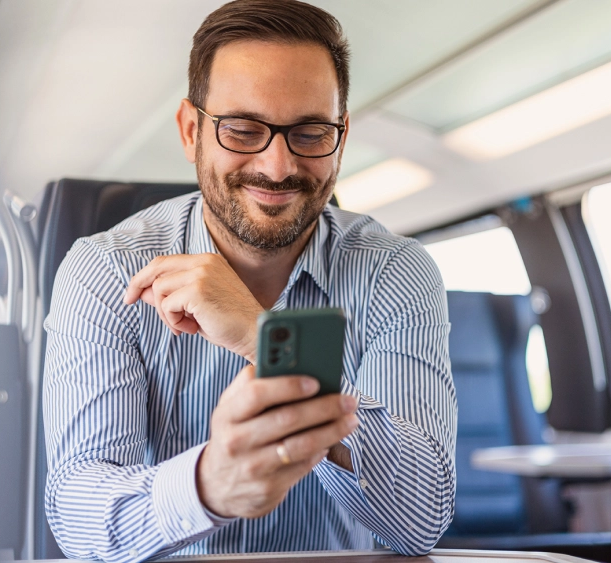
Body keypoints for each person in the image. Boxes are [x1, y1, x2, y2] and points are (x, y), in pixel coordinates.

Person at [43, 1, 456, 560]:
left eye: (309, 133)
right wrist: (209, 485)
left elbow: (420, 520)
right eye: (242, 130)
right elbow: (79, 519)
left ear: (341, 133)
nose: (279, 166)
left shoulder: (395, 271)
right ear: (192, 132)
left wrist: (265, 338)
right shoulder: (104, 270)